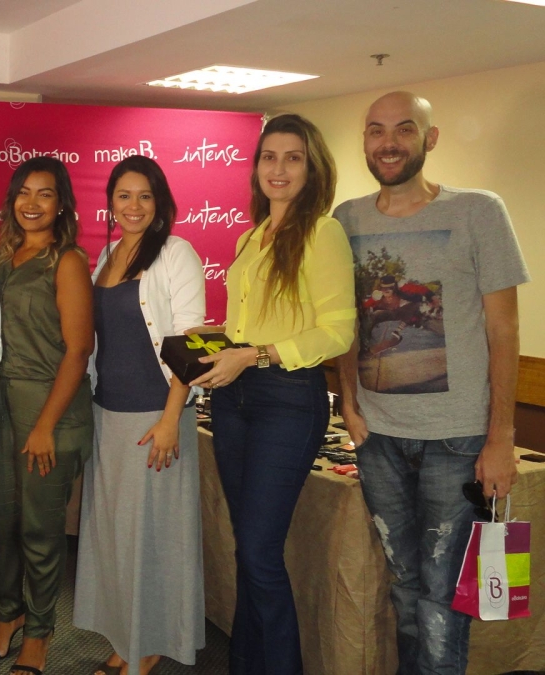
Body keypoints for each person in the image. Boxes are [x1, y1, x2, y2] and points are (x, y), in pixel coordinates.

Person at [334, 92, 530, 674]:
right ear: (364, 141)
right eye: (375, 131)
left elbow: (504, 329)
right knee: (404, 585)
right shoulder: (346, 220)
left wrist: (501, 438)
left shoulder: (478, 211)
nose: (387, 142)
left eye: (403, 129)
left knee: (444, 596)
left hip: (459, 441)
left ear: (431, 137)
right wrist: (348, 401)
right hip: (379, 441)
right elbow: (345, 322)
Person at [186, 113, 355, 674]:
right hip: (236, 398)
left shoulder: (322, 232)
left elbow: (337, 331)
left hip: (287, 399)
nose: (277, 169)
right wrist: (217, 347)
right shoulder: (252, 236)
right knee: (248, 550)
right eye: (269, 157)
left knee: (259, 554)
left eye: (292, 157)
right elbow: (250, 326)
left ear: (313, 168)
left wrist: (253, 355)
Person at [74, 156, 207, 675]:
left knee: (154, 538)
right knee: (115, 537)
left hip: (157, 415)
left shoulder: (177, 253)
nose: (133, 206)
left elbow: (191, 344)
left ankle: (150, 643)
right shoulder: (106, 254)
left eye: (145, 196)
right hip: (108, 414)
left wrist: (173, 418)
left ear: (160, 203)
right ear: (110, 202)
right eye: (124, 196)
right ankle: (127, 636)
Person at [0, 156, 94, 675]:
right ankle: (10, 613)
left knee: (40, 531)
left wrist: (45, 424)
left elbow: (78, 349)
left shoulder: (65, 260)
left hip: (51, 408)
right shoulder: (1, 255)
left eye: (44, 193)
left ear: (62, 203)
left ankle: (40, 633)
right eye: (24, 192)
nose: (31, 203)